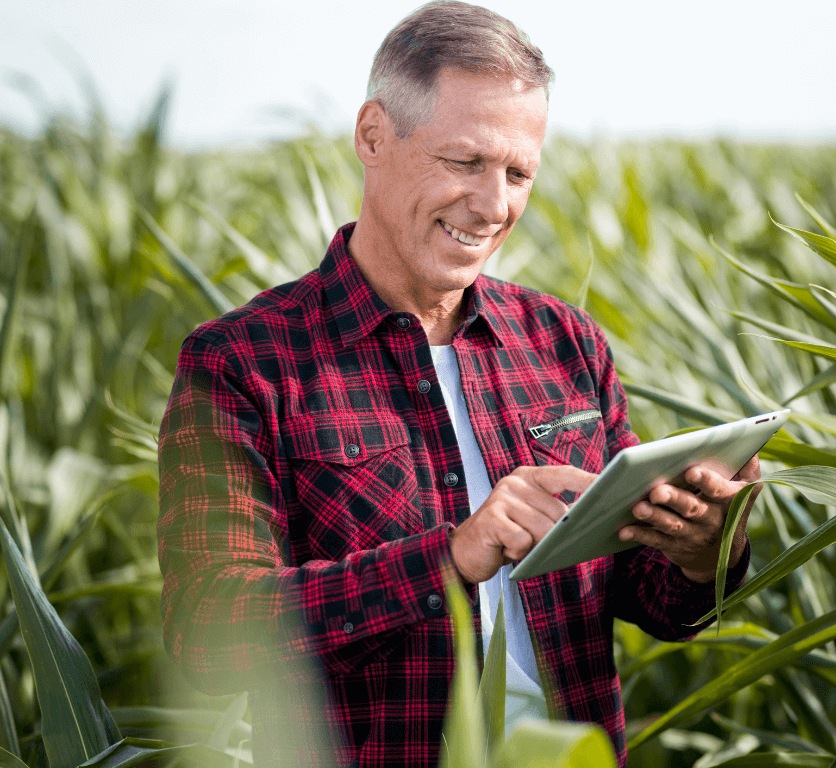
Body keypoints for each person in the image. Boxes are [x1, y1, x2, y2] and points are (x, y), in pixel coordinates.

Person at [156, 3, 759, 766]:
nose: (494, 204)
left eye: (518, 173)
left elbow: (655, 603)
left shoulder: (565, 343)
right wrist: (451, 558)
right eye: (465, 163)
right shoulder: (244, 363)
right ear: (373, 136)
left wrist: (703, 551)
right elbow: (210, 632)